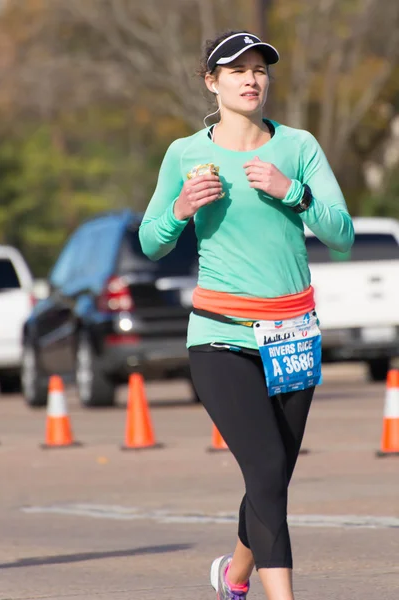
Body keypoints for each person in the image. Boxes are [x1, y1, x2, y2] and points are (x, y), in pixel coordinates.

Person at [139, 29, 354, 600]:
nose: (250, 79)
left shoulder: (299, 147)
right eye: (235, 70)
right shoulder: (186, 154)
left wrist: (294, 192)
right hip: (220, 336)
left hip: (292, 333)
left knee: (274, 474)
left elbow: (344, 235)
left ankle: (233, 577)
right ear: (212, 82)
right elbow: (150, 241)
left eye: (259, 69)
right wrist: (181, 209)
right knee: (263, 469)